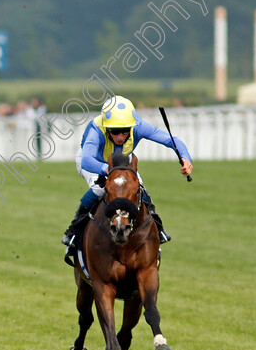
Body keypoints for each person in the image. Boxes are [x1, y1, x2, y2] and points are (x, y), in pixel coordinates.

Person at [61, 95, 193, 258]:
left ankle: (157, 228)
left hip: (122, 161)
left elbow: (171, 140)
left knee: (138, 187)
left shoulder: (137, 125)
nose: (120, 137)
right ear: (107, 127)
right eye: (115, 131)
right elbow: (87, 160)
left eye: (125, 131)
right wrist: (108, 170)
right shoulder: (97, 129)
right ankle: (73, 231)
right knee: (99, 189)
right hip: (95, 161)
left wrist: (186, 158)